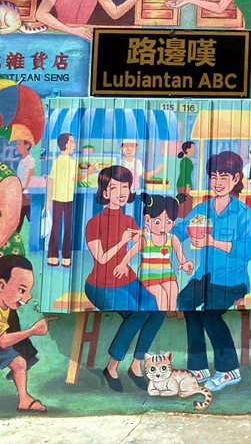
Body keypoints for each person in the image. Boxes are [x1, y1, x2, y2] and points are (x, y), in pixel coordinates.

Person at [172, 151, 251, 393]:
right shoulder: (202, 209)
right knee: (185, 300)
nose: (218, 182)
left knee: (210, 313)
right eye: (213, 176)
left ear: (236, 178)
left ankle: (229, 369)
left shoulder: (243, 213)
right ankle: (198, 366)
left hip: (233, 279)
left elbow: (246, 251)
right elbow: (178, 231)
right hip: (205, 275)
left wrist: (213, 241)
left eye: (224, 176)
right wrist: (182, 257)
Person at [84, 166, 165, 392]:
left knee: (157, 312)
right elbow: (100, 258)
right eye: (114, 187)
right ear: (105, 192)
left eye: (125, 186)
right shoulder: (95, 223)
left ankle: (137, 365)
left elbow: (140, 242)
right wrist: (121, 242)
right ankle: (112, 366)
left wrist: (124, 261)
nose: (120, 191)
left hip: (125, 277)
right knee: (138, 313)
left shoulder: (129, 218)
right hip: (100, 284)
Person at [118, 193, 194, 312]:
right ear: (147, 220)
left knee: (173, 289)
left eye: (168, 222)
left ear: (173, 223)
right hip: (149, 275)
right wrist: (122, 265)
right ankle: (162, 314)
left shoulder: (172, 238)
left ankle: (171, 313)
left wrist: (184, 263)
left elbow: (180, 254)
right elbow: (131, 252)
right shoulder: (145, 240)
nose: (163, 227)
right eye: (158, 222)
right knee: (160, 294)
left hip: (166, 274)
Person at [0, 255, 56, 413]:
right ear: (1, 285)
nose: (28, 297)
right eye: (21, 290)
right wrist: (33, 330)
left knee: (19, 363)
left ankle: (24, 399)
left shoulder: (6, 305)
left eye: (28, 291)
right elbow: (3, 341)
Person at [45, 133, 93, 267]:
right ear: (65, 144)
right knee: (67, 229)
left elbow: (51, 181)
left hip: (58, 199)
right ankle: (66, 258)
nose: (74, 145)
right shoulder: (71, 162)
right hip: (66, 199)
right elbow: (74, 179)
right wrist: (90, 172)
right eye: (72, 142)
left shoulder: (57, 161)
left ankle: (52, 257)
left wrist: (48, 201)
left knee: (56, 228)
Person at [175, 141, 196, 218]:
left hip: (183, 184)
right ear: (187, 149)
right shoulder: (186, 161)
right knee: (186, 203)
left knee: (185, 203)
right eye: (193, 148)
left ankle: (183, 217)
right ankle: (184, 218)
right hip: (183, 185)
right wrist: (187, 186)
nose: (195, 150)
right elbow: (185, 174)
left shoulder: (186, 160)